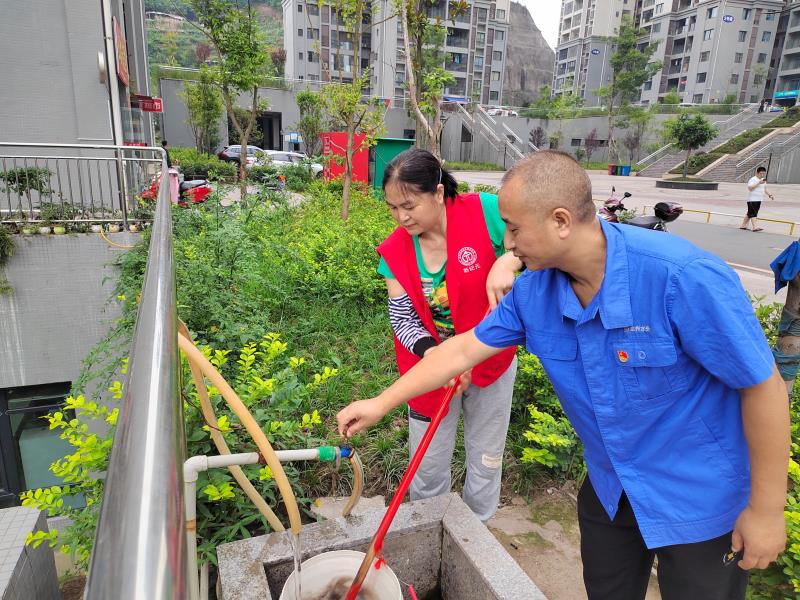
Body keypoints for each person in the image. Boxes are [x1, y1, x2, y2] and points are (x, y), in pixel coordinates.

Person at [338, 150, 790, 600]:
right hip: (611, 489)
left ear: (560, 221)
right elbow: (460, 349)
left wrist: (767, 511)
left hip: (700, 497)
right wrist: (381, 403)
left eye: (514, 229)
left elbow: (762, 386)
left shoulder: (680, 277)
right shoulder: (535, 293)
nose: (507, 243)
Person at [373, 148, 522, 522]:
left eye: (409, 205)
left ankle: (477, 530)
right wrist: (435, 358)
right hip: (430, 368)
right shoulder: (395, 250)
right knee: (427, 459)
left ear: (438, 192)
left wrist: (509, 259)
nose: (401, 217)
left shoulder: (485, 212)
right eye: (393, 208)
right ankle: (427, 526)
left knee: (486, 456)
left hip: (491, 359)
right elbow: (403, 317)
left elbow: (533, 239)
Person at [741, 166, 774, 232]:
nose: (762, 175)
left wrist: (770, 195)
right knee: (754, 213)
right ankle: (755, 227)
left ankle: (743, 225)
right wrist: (758, 183)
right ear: (757, 173)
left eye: (764, 173)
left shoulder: (763, 180)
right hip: (752, 199)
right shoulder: (753, 179)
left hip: (759, 199)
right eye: (761, 173)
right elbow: (750, 188)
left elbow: (765, 189)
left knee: (750, 213)